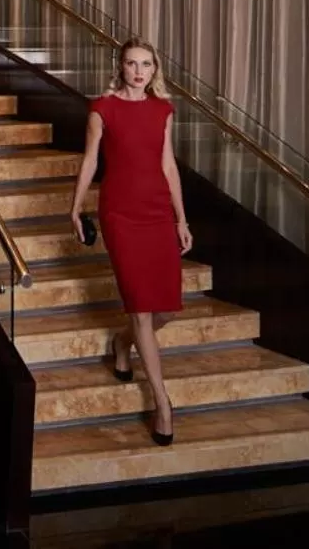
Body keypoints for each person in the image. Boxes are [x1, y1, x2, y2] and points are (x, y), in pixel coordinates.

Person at [68, 39, 193, 445]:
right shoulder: (102, 109)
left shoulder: (163, 110)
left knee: (166, 310)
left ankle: (122, 342)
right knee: (141, 309)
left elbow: (168, 165)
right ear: (120, 67)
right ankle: (162, 404)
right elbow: (90, 160)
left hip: (157, 213)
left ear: (155, 69)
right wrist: (76, 207)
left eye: (146, 64)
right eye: (131, 63)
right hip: (120, 215)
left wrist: (181, 218)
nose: (138, 71)